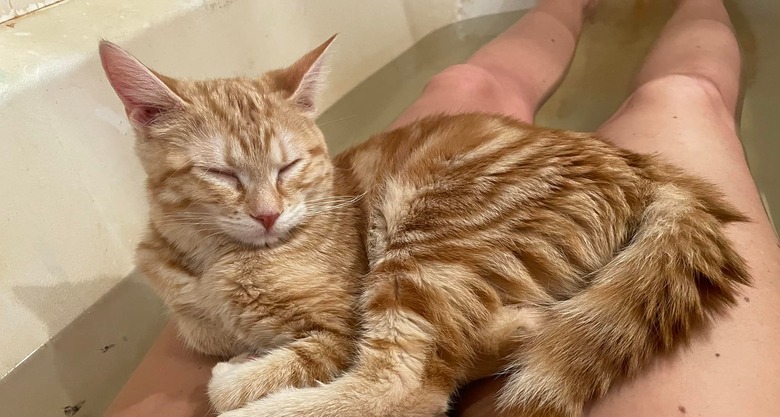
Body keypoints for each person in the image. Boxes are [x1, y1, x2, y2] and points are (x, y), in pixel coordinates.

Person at [106, 0, 780, 416]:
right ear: (143, 123)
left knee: (675, 92)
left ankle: (695, 2)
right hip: (495, 200)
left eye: (286, 168)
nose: (267, 209)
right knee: (483, 84)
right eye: (224, 175)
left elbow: (332, 326)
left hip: (494, 195)